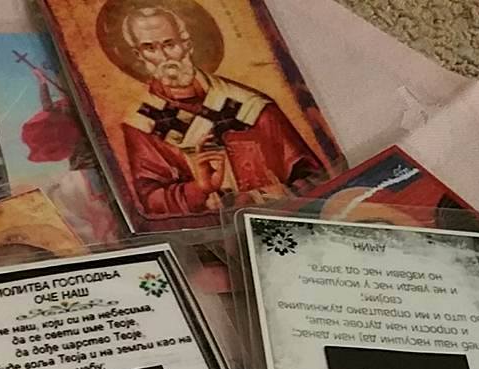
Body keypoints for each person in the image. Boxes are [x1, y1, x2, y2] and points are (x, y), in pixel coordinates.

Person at [113, 3, 323, 219]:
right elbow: (152, 203)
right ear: (138, 55)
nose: (164, 56)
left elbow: (315, 179)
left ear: (187, 45)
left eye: (169, 44)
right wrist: (199, 189)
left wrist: (273, 196)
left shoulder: (251, 107)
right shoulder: (142, 124)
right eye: (150, 48)